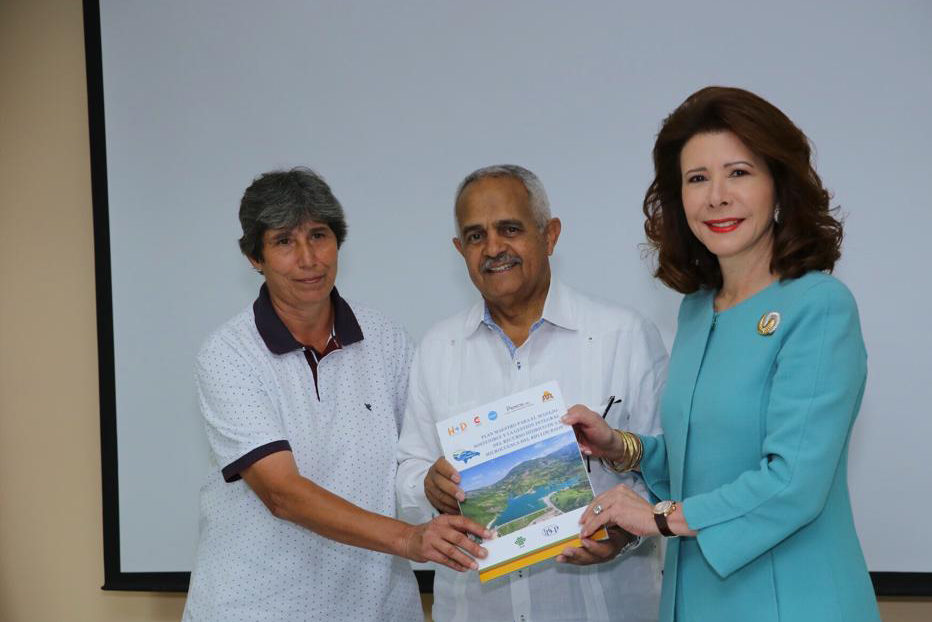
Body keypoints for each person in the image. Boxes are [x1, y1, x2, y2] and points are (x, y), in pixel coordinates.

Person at [564, 87, 882, 622]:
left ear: (779, 185)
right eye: (697, 179)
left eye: (738, 173)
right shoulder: (696, 311)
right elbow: (703, 464)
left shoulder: (820, 306)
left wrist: (660, 518)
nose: (716, 196)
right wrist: (620, 446)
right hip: (697, 596)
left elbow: (793, 481)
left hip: (793, 599)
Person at [182, 168, 490, 622]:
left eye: (319, 235)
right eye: (284, 241)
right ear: (255, 257)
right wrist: (409, 539)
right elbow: (282, 494)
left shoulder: (384, 337)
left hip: (377, 606)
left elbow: (425, 454)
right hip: (258, 608)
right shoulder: (229, 353)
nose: (308, 258)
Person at [395, 164, 667, 622]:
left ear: (550, 235)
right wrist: (427, 486)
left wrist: (624, 534)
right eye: (476, 236)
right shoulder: (437, 350)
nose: (494, 248)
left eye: (510, 229)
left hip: (606, 606)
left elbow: (668, 466)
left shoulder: (624, 335)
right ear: (460, 250)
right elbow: (408, 471)